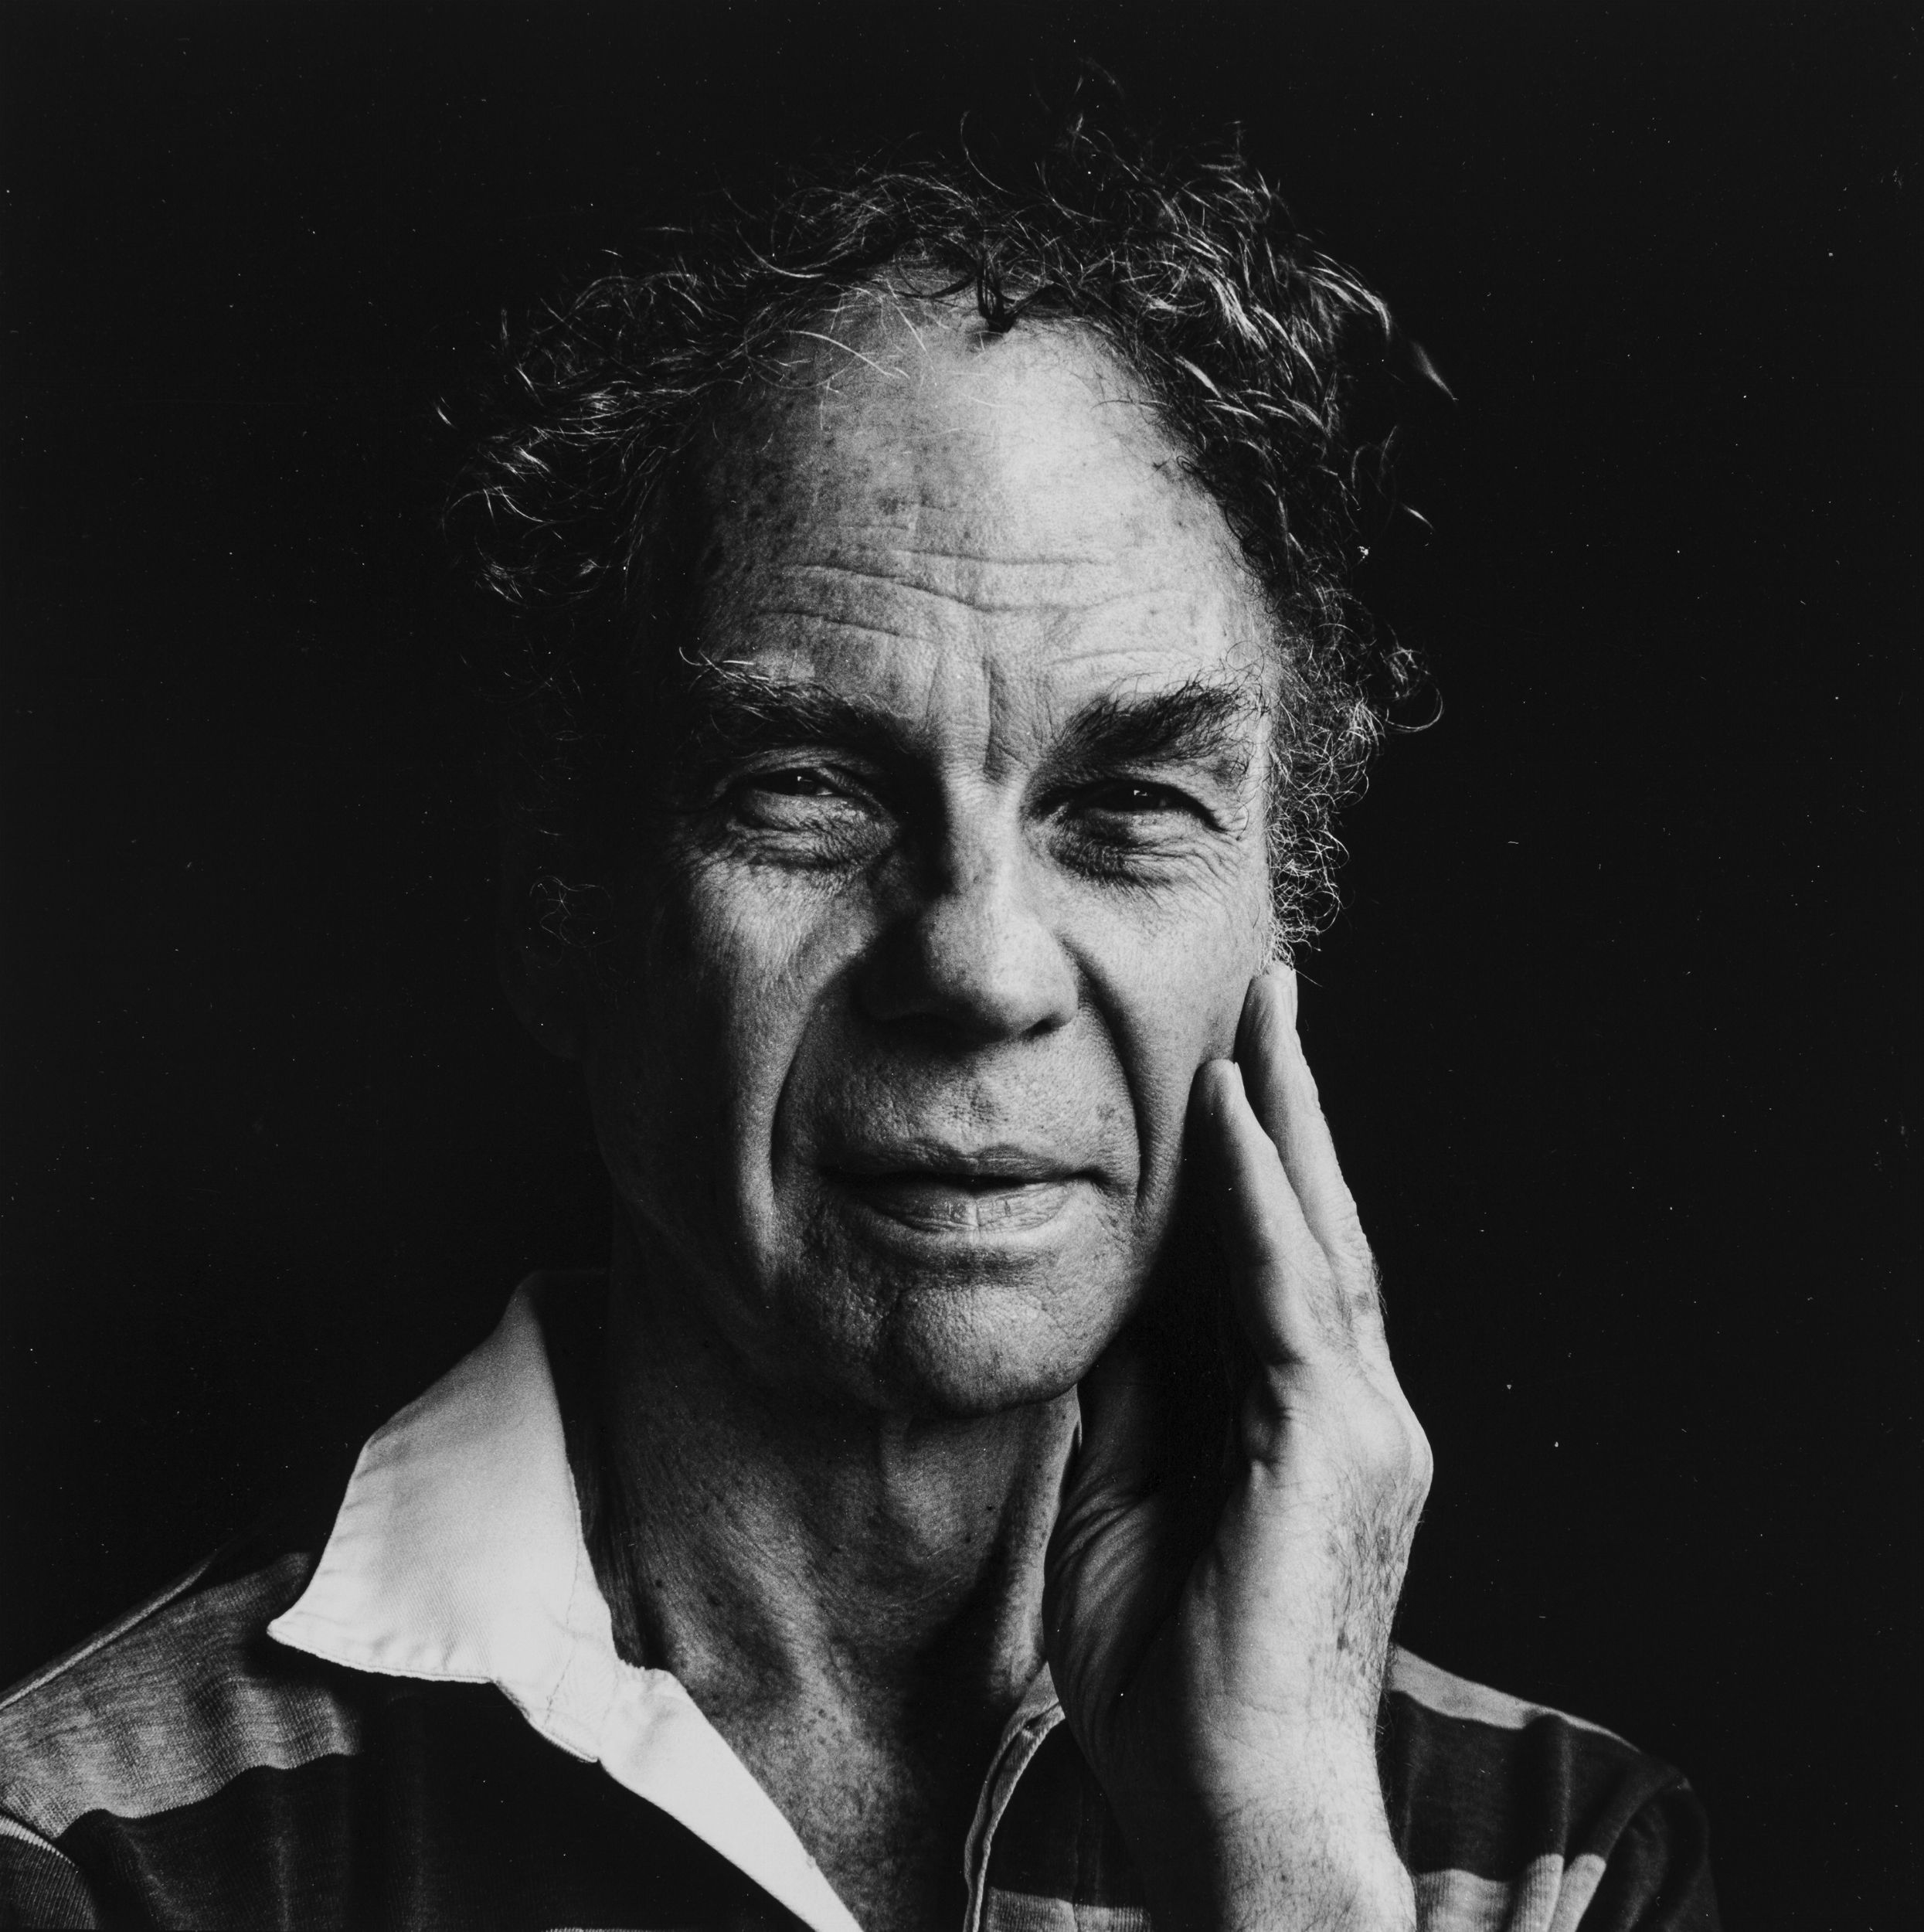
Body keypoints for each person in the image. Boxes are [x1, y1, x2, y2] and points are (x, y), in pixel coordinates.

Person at [0, 124, 1718, 1930]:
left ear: (1275, 921)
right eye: (808, 787)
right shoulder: (92, 1860)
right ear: (561, 907)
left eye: (1128, 804)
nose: (980, 964)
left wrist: (1287, 1857)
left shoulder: (1560, 1863)